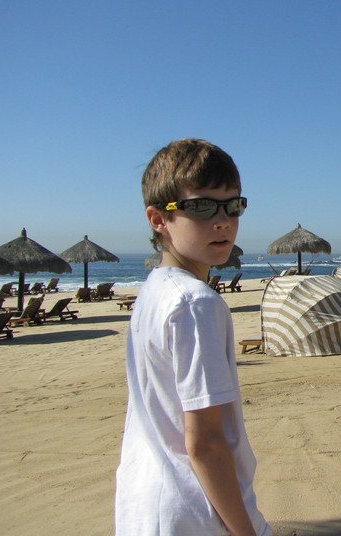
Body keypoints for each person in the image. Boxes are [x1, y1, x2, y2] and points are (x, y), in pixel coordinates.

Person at [115, 139, 270, 536]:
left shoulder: (154, 291)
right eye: (201, 207)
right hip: (197, 511)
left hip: (145, 503)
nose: (223, 221)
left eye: (233, 206)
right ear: (158, 219)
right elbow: (205, 443)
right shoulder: (195, 303)